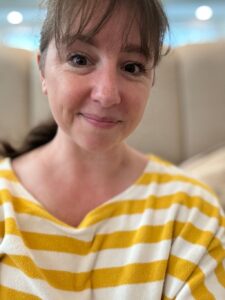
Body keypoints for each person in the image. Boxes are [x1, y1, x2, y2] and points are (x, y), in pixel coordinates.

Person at [0, 0, 225, 299]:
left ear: (151, 81)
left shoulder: (193, 212)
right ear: (43, 70)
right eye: (80, 60)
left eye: (131, 67)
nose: (107, 94)